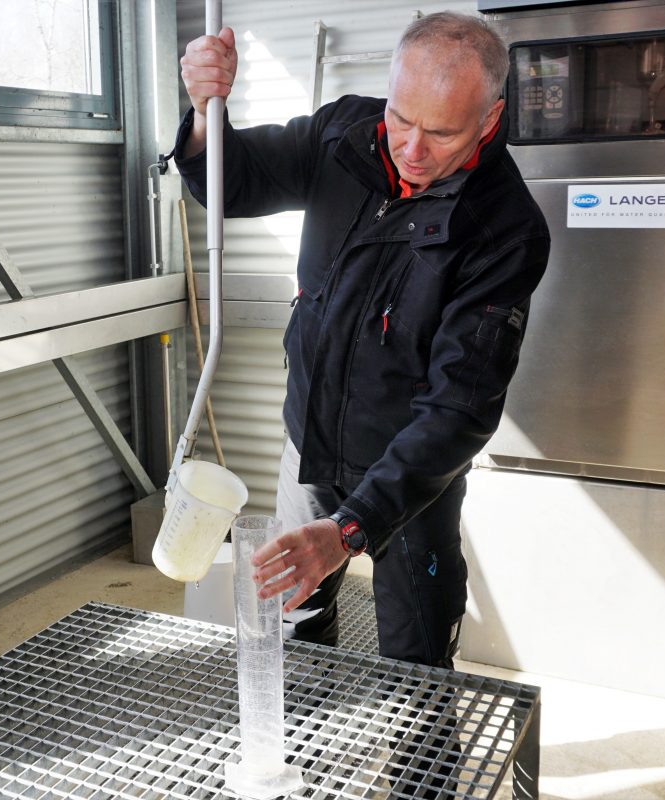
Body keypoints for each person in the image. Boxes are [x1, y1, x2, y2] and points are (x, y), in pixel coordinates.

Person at [174, 12, 550, 669]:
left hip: (409, 476)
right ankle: (302, 736)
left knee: (416, 655)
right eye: (401, 118)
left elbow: (458, 410)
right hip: (310, 442)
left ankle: (418, 741)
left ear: (489, 118)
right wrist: (207, 111)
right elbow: (233, 182)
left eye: (441, 133)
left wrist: (350, 529)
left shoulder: (505, 228)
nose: (411, 149)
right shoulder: (343, 133)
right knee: (292, 626)